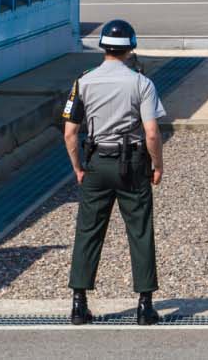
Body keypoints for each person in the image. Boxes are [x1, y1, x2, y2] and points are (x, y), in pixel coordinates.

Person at [63, 19, 166, 326]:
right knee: (140, 230)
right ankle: (144, 305)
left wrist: (79, 167)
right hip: (132, 162)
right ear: (130, 48)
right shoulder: (141, 83)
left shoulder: (83, 82)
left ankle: (79, 303)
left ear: (103, 47)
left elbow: (70, 133)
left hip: (96, 162)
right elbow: (151, 132)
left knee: (88, 231)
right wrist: (157, 165)